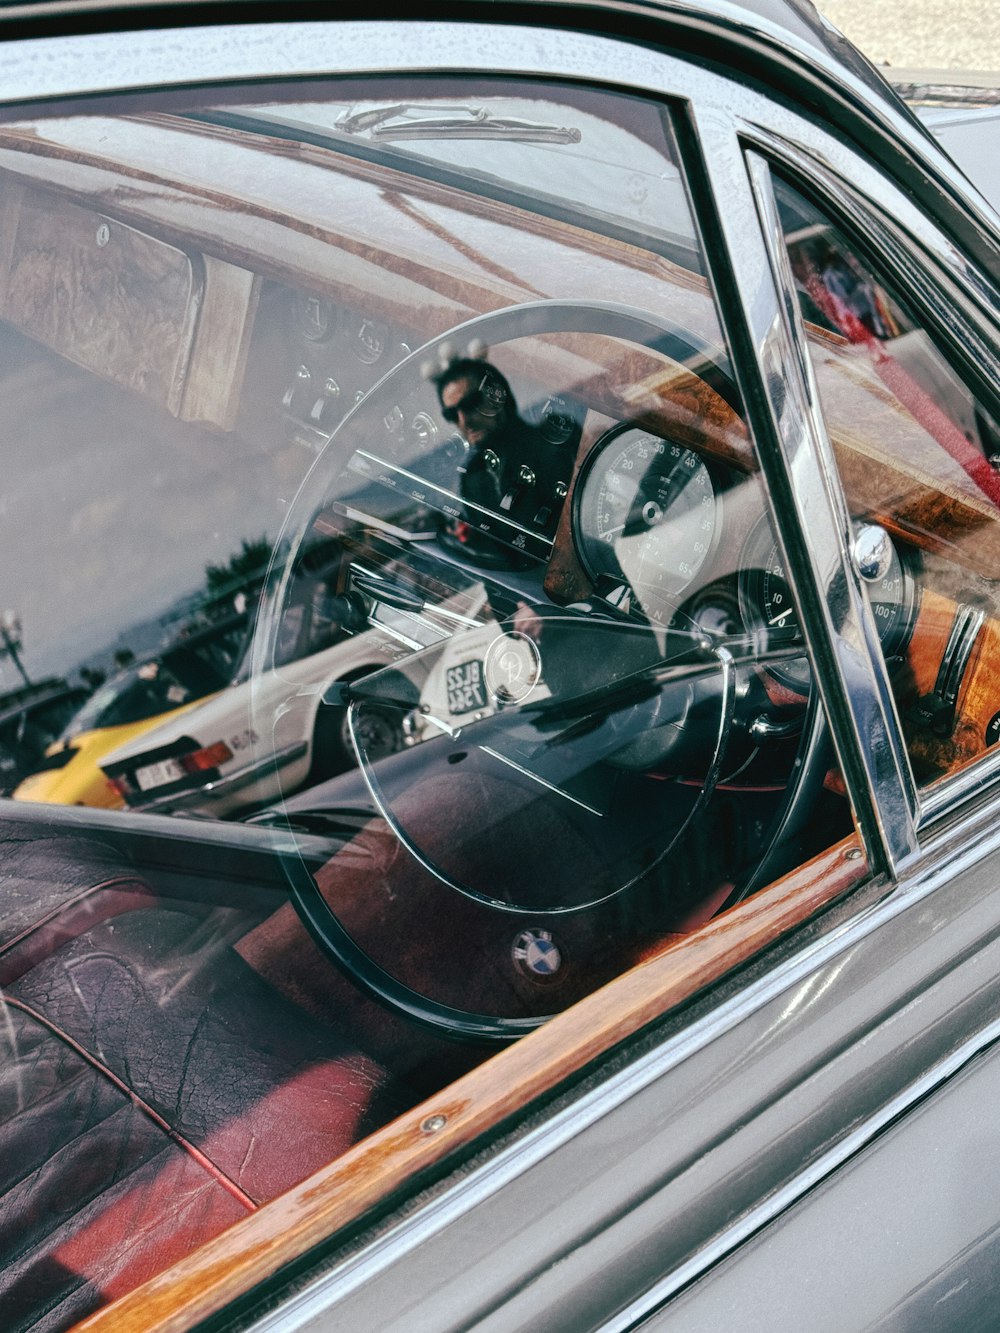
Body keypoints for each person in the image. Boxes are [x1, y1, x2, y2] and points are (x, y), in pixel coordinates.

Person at [429, 348, 577, 566]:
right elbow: (489, 558)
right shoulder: (472, 477)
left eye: (470, 404)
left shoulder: (553, 444)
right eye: (452, 414)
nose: (464, 421)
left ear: (497, 396)